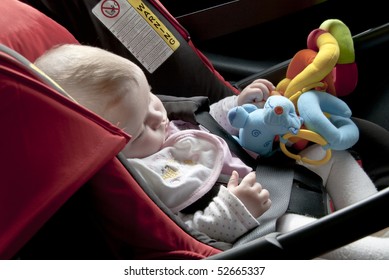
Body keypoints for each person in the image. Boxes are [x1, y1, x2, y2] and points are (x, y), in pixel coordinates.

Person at [35, 44, 388, 258]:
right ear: (114, 148)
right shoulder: (145, 180)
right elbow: (188, 232)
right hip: (264, 227)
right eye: (142, 124)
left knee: (327, 154)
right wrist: (235, 210)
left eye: (151, 98)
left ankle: (377, 222)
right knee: (299, 230)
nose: (159, 115)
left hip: (282, 175)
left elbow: (210, 124)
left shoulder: (162, 120)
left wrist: (242, 105)